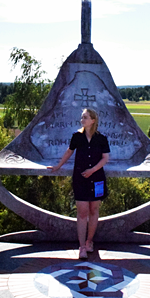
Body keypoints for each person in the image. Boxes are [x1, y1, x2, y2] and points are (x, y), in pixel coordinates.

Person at [49, 108, 110, 259]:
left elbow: (105, 158)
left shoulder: (101, 138)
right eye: (82, 117)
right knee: (82, 212)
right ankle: (82, 246)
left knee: (94, 210)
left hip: (97, 179)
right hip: (80, 178)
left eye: (85, 117)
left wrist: (93, 169)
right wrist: (58, 166)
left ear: (93, 120)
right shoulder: (77, 136)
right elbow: (69, 152)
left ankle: (90, 242)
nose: (82, 119)